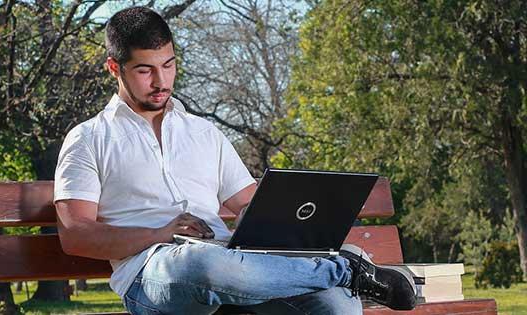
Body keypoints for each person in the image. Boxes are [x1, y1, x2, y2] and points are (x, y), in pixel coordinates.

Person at [54, 6, 416, 315]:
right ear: (115, 69)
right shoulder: (89, 139)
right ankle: (346, 269)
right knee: (203, 265)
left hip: (235, 265)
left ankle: (338, 276)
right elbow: (76, 236)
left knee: (331, 302)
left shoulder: (203, 133)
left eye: (168, 65)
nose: (161, 81)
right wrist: (161, 234)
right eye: (145, 70)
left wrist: (261, 222)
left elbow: (248, 204)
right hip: (152, 273)